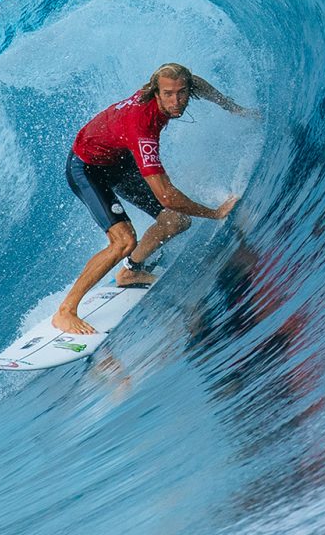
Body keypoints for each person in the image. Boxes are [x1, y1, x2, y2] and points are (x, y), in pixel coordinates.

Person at [56, 62, 254, 334]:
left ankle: (130, 271)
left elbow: (198, 83)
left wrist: (232, 107)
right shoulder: (143, 129)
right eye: (169, 95)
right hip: (88, 168)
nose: (177, 101)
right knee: (123, 241)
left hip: (119, 158)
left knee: (177, 221)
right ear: (156, 93)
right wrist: (215, 212)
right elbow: (167, 196)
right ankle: (65, 311)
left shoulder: (176, 87)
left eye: (182, 93)